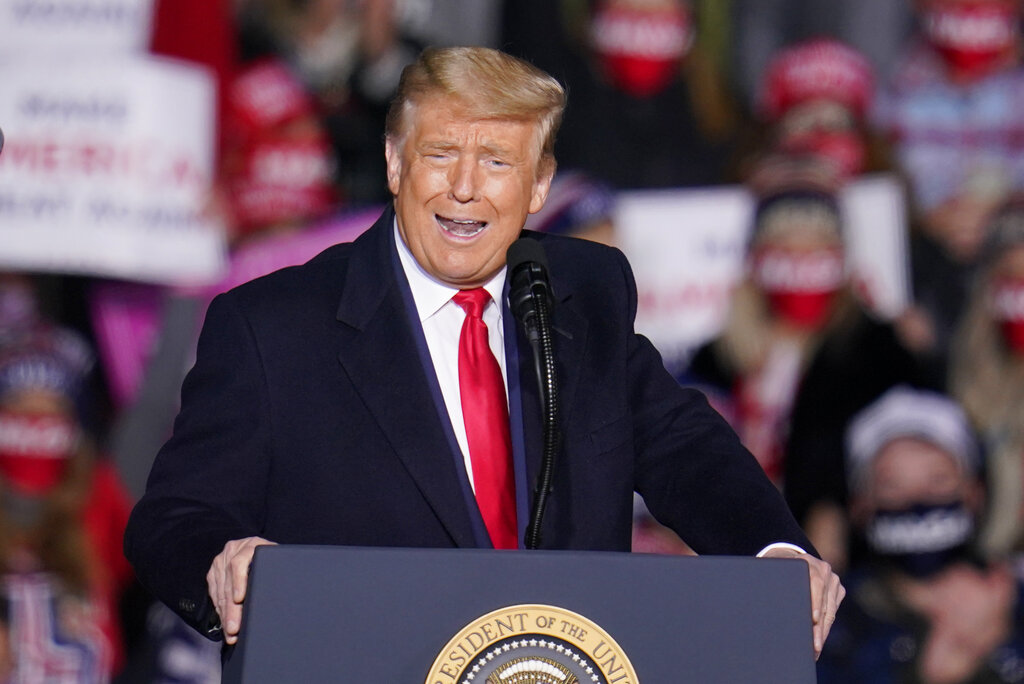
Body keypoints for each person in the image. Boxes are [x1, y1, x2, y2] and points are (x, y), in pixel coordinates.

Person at [123, 46, 843, 656]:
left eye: (497, 160)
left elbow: (685, 446)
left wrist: (775, 557)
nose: (465, 189)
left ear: (538, 185)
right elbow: (172, 519)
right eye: (441, 153)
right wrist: (226, 565)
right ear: (395, 162)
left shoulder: (583, 296)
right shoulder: (273, 326)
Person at [817, 386, 1024, 684]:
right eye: (891, 486)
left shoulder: (1014, 598)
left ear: (974, 493)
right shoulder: (829, 618)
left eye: (938, 479)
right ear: (860, 505)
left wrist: (998, 642)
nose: (916, 500)